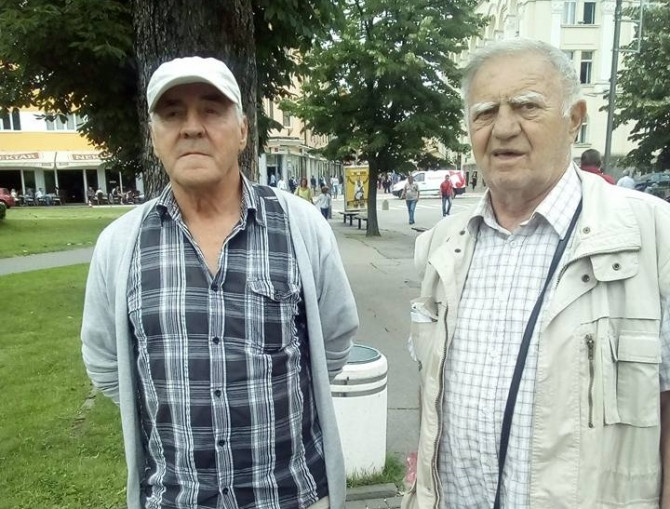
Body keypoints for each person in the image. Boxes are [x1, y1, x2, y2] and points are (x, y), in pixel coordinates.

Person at [81, 56, 358, 509]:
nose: (192, 127)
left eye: (211, 110)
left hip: (290, 496)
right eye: (172, 113)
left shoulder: (300, 227)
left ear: (243, 130)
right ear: (154, 136)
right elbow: (105, 362)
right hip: (175, 499)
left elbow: (335, 340)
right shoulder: (120, 244)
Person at [404, 39, 670, 509]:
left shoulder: (652, 236)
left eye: (527, 106)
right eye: (485, 112)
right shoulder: (441, 245)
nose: (504, 128)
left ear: (574, 118)